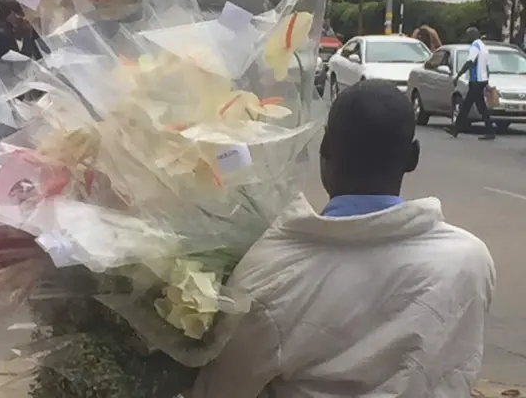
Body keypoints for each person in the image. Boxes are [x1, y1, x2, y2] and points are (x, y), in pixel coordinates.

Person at [192, 80, 495, 398]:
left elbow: (220, 389)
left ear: (324, 153)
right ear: (412, 158)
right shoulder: (469, 262)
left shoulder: (270, 273)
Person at [446, 27, 495, 140]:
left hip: (476, 80)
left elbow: (469, 62)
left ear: (473, 35)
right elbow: (486, 66)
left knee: (467, 106)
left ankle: (456, 129)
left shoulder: (475, 46)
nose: (467, 38)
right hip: (481, 80)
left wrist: (458, 76)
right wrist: (486, 80)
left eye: (469, 35)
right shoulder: (483, 46)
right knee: (480, 107)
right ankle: (490, 130)